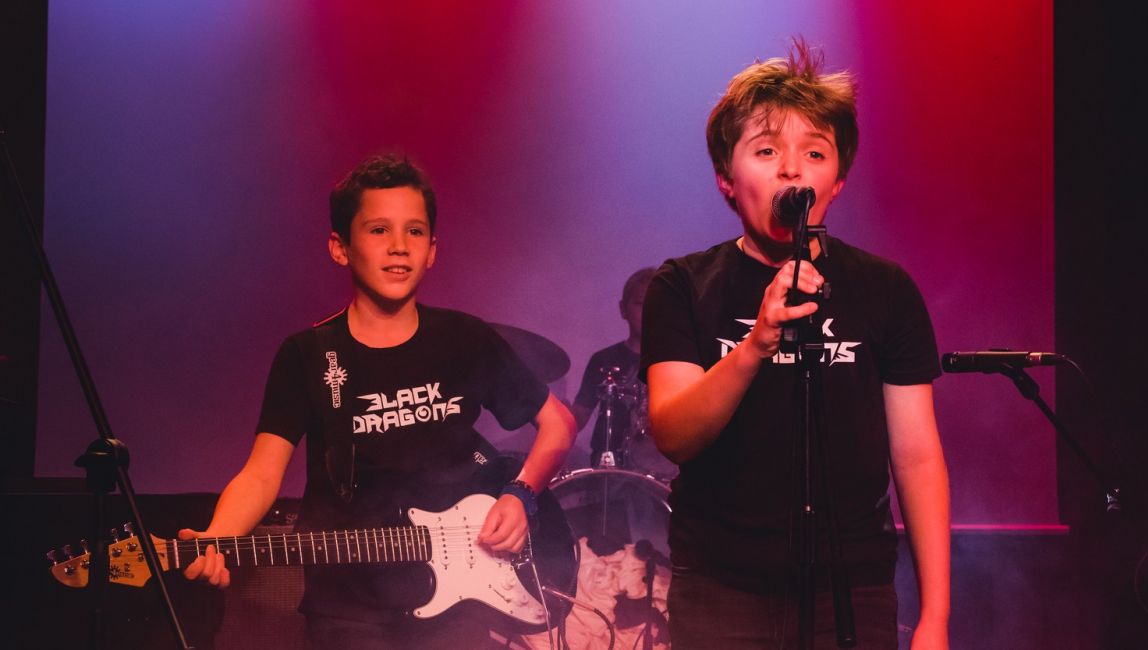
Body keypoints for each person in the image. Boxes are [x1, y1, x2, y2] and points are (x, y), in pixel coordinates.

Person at [178, 154, 577, 649]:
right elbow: (262, 473)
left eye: (414, 232)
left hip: (458, 609)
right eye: (378, 230)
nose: (398, 247)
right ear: (339, 247)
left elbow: (557, 423)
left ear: (432, 250)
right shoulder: (308, 354)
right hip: (349, 608)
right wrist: (219, 536)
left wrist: (521, 495)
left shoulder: (463, 338)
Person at [640, 40, 951, 649]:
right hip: (721, 585)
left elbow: (916, 456)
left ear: (837, 180)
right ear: (728, 181)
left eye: (814, 152)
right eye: (766, 151)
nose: (791, 169)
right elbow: (673, 433)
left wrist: (935, 615)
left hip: (851, 585)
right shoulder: (681, 286)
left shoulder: (884, 289)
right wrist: (756, 343)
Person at [569, 267, 661, 473]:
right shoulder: (603, 359)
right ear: (623, 309)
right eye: (640, 304)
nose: (648, 311)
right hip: (608, 467)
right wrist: (555, 417)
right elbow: (580, 415)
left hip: (660, 469)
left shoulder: (676, 361)